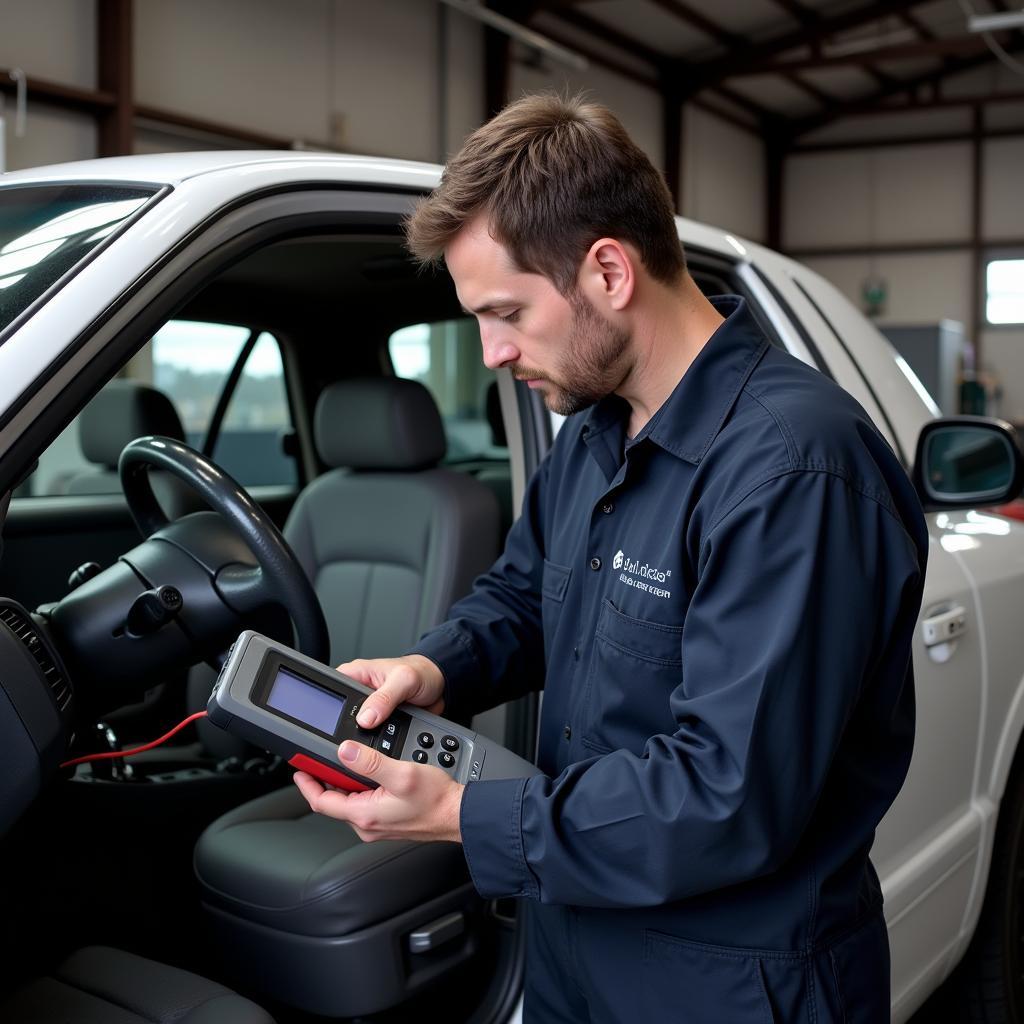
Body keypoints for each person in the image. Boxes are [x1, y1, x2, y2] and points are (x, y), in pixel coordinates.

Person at [292, 93, 928, 1022]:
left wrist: (466, 815)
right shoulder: (593, 433)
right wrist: (435, 666)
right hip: (575, 940)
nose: (494, 351)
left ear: (608, 270)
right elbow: (522, 596)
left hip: (728, 980)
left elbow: (728, 794)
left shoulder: (793, 471)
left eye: (506, 311)